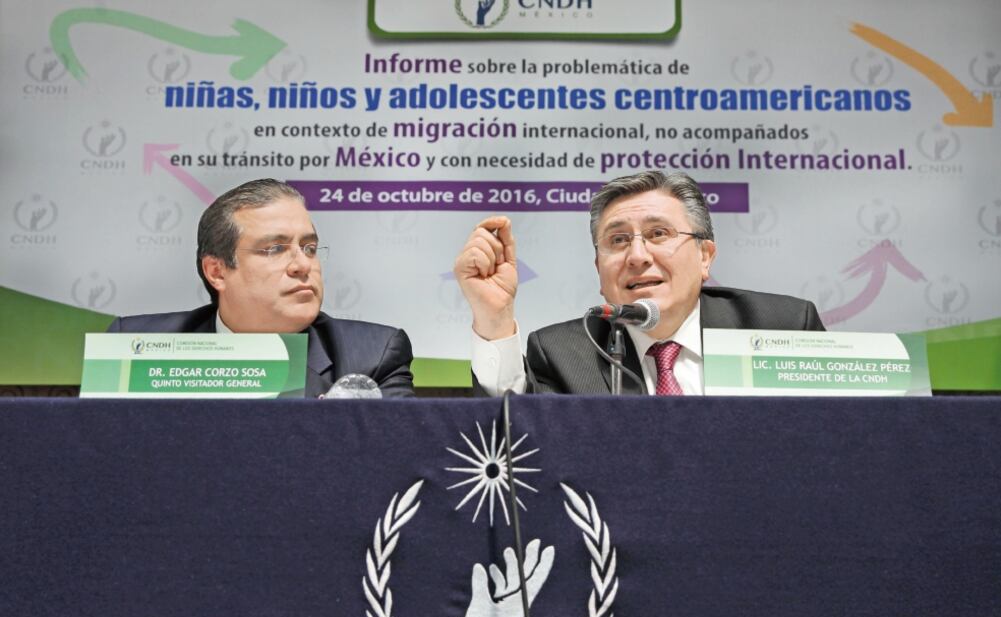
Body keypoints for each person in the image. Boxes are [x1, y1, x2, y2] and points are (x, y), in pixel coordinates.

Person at [453, 170, 825, 395]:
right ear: (599, 269)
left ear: (705, 256)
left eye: (658, 233)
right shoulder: (566, 352)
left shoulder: (780, 326)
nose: (637, 255)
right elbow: (517, 444)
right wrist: (495, 319)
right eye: (617, 241)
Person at [108, 178, 414, 398]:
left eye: (309, 247)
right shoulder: (136, 349)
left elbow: (392, 467)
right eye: (275, 249)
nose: (302, 265)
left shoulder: (372, 356)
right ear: (217, 271)